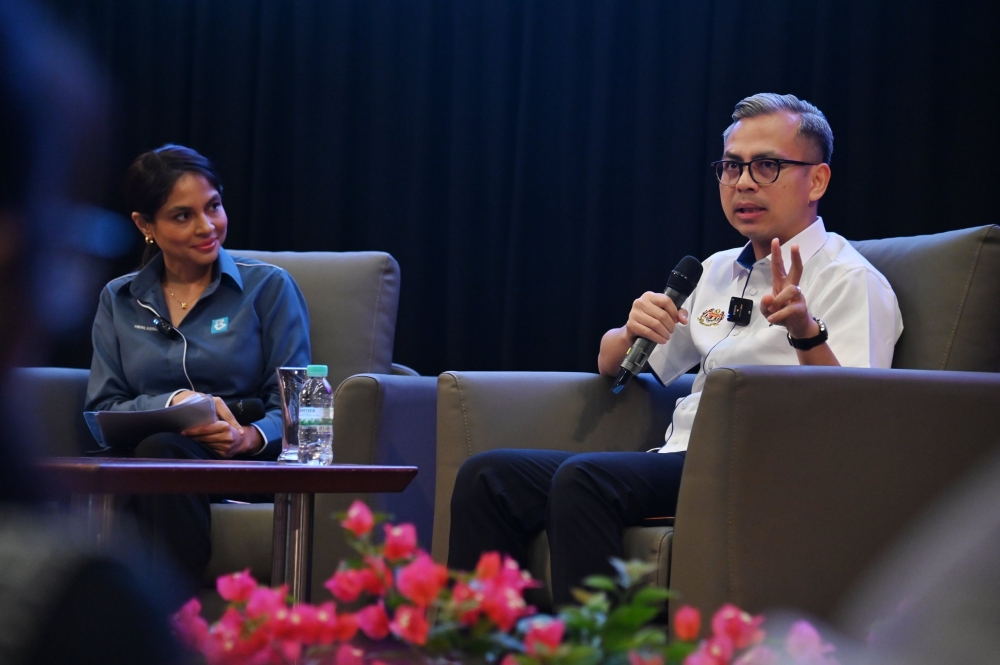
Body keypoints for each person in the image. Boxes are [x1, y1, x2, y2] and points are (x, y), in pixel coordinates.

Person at [447, 93, 904, 606]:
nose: (744, 182)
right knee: (489, 477)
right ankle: (481, 647)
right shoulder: (713, 271)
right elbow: (614, 366)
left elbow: (857, 416)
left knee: (585, 480)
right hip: (677, 459)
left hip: (761, 468)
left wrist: (804, 329)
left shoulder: (851, 280)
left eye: (767, 166)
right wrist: (629, 331)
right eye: (731, 167)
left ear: (816, 180)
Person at [85, 144, 311, 598]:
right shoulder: (119, 298)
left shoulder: (268, 287)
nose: (208, 227)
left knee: (157, 455)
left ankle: (161, 619)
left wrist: (249, 436)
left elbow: (299, 405)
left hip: (243, 467)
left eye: (214, 206)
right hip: (151, 463)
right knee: (160, 447)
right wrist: (174, 404)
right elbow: (103, 412)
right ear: (144, 225)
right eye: (183, 216)